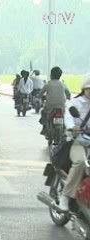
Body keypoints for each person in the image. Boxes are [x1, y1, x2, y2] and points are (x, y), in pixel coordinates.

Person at [58, 74, 90, 211]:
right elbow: (68, 117)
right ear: (84, 89)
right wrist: (72, 127)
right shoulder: (75, 103)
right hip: (77, 141)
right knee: (80, 162)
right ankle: (65, 196)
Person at [38, 66, 71, 135]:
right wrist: (68, 98)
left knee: (43, 112)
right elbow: (68, 94)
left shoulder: (48, 84)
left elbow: (40, 94)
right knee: (65, 116)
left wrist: (39, 97)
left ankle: (44, 127)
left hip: (50, 106)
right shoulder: (63, 84)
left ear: (51, 75)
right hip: (61, 106)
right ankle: (64, 128)